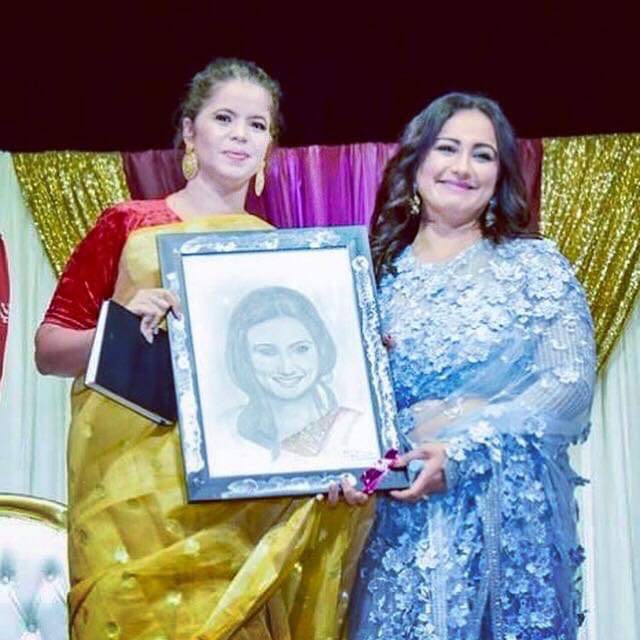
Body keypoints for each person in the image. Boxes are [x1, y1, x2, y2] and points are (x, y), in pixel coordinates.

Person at [35, 58, 373, 640]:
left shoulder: (283, 254)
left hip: (240, 506)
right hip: (134, 505)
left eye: (257, 125)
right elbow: (49, 349)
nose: (241, 135)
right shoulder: (128, 225)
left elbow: (303, 378)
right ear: (190, 132)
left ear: (270, 148)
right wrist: (121, 326)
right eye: (224, 118)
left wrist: (360, 358)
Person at [348, 93, 596, 639]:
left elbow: (569, 388)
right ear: (415, 163)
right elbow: (344, 398)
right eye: (447, 149)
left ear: (500, 175)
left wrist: (466, 449)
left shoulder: (534, 267)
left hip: (506, 528)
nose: (463, 167)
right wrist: (345, 468)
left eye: (482, 155)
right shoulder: (373, 277)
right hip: (401, 528)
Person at [209, 285, 376, 477]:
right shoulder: (221, 431)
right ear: (244, 357)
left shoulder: (358, 428)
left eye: (301, 349)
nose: (287, 368)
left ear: (320, 349)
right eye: (267, 352)